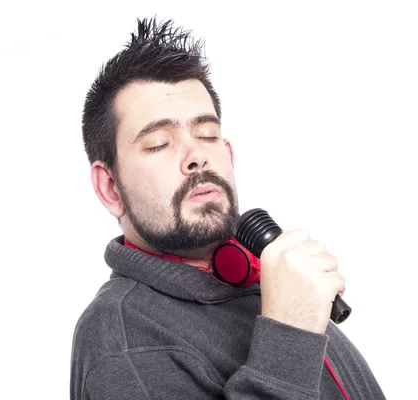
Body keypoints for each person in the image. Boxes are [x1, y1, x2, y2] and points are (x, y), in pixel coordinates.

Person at [70, 17, 385, 399]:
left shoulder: (263, 282)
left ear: (229, 155)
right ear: (110, 187)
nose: (197, 156)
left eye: (207, 134)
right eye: (158, 143)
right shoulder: (120, 338)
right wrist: (289, 332)